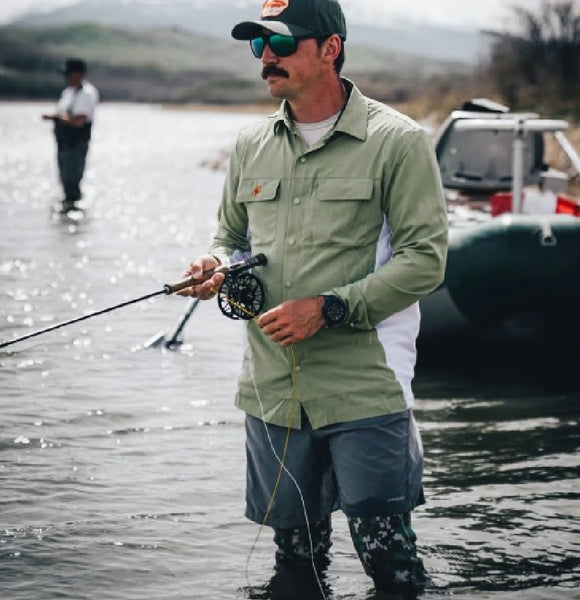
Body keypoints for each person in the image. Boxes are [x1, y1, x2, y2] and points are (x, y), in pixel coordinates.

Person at [180, 0, 448, 594]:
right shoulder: (250, 144)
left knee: (393, 568)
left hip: (366, 387)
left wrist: (327, 308)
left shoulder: (399, 142)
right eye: (258, 46)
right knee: (295, 564)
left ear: (330, 48)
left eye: (282, 44)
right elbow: (231, 238)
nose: (267, 57)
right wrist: (215, 266)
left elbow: (425, 261)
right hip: (272, 390)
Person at [42, 57, 99, 212]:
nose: (66, 78)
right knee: (65, 182)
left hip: (76, 145)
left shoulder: (86, 94)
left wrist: (59, 118)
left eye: (68, 74)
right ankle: (67, 217)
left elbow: (79, 121)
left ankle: (73, 211)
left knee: (72, 182)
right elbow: (64, 114)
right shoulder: (68, 93)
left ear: (78, 74)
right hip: (63, 143)